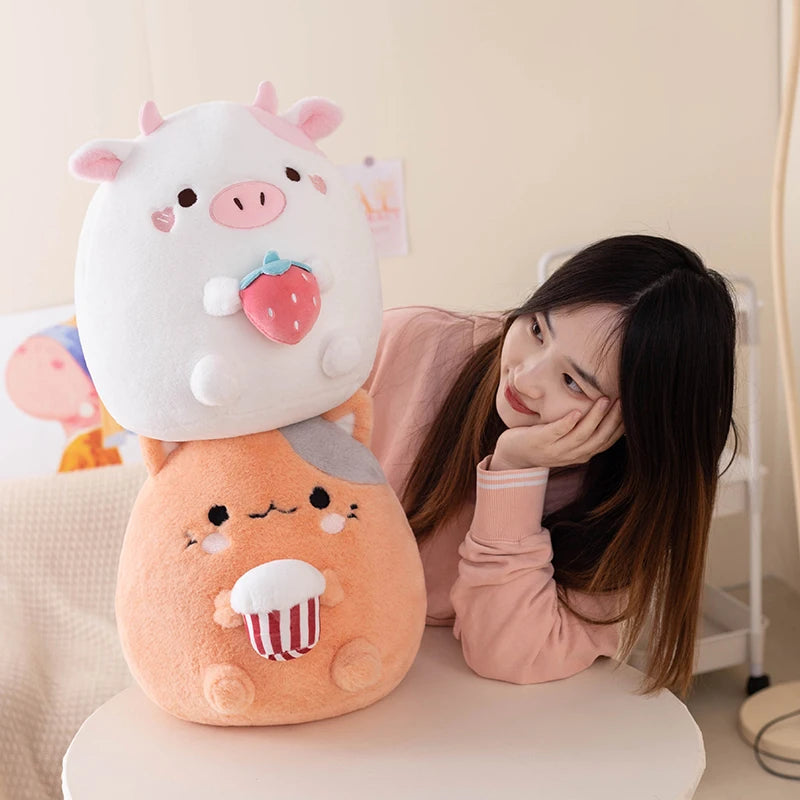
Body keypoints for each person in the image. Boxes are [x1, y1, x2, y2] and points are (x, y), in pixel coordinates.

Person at [363, 234, 737, 699]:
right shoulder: (410, 343)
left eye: (572, 383)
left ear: (635, 422)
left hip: (444, 702)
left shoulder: (621, 501)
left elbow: (511, 654)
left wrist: (514, 470)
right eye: (538, 330)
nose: (525, 378)